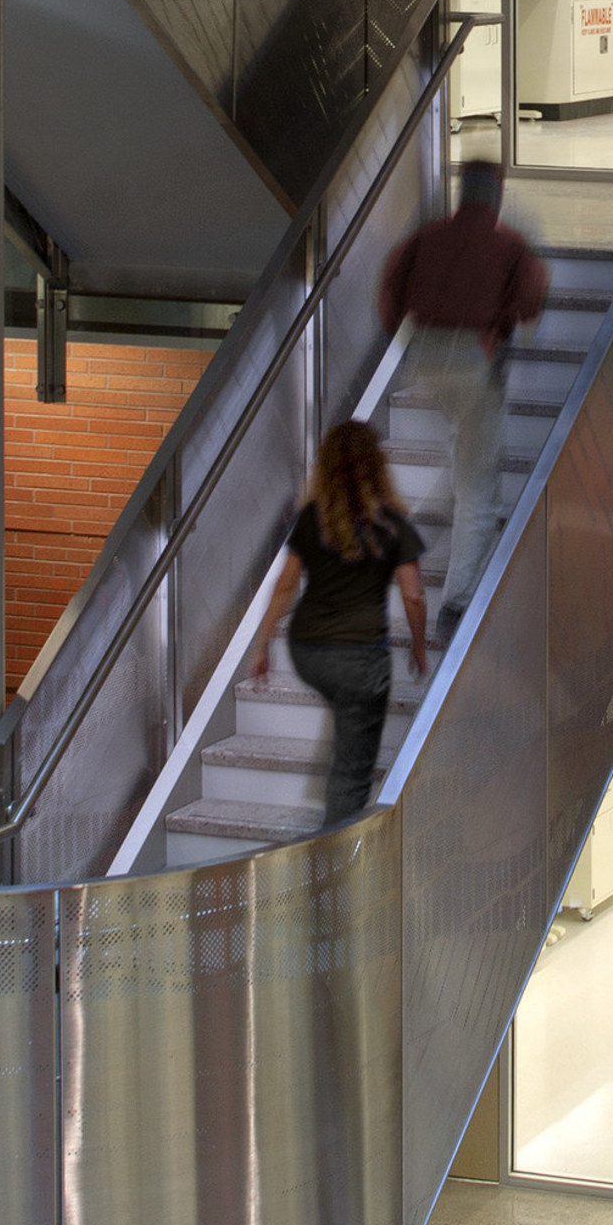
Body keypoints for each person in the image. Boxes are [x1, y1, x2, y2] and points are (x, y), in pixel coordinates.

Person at [377, 159, 548, 636]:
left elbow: (390, 290)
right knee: (478, 487)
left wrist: (412, 336)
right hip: (474, 360)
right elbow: (532, 296)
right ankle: (458, 601)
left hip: (426, 360)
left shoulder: (425, 237)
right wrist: (505, 328)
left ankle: (411, 536)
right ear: (494, 197)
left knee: (462, 446)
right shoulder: (509, 244)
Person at [246, 419, 428, 826]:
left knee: (348, 717)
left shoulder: (313, 518)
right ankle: (333, 864)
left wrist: (263, 645)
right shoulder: (392, 523)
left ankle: (334, 767)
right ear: (377, 464)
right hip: (361, 659)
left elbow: (285, 586)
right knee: (352, 772)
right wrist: (418, 645)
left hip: (308, 651)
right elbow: (414, 594)